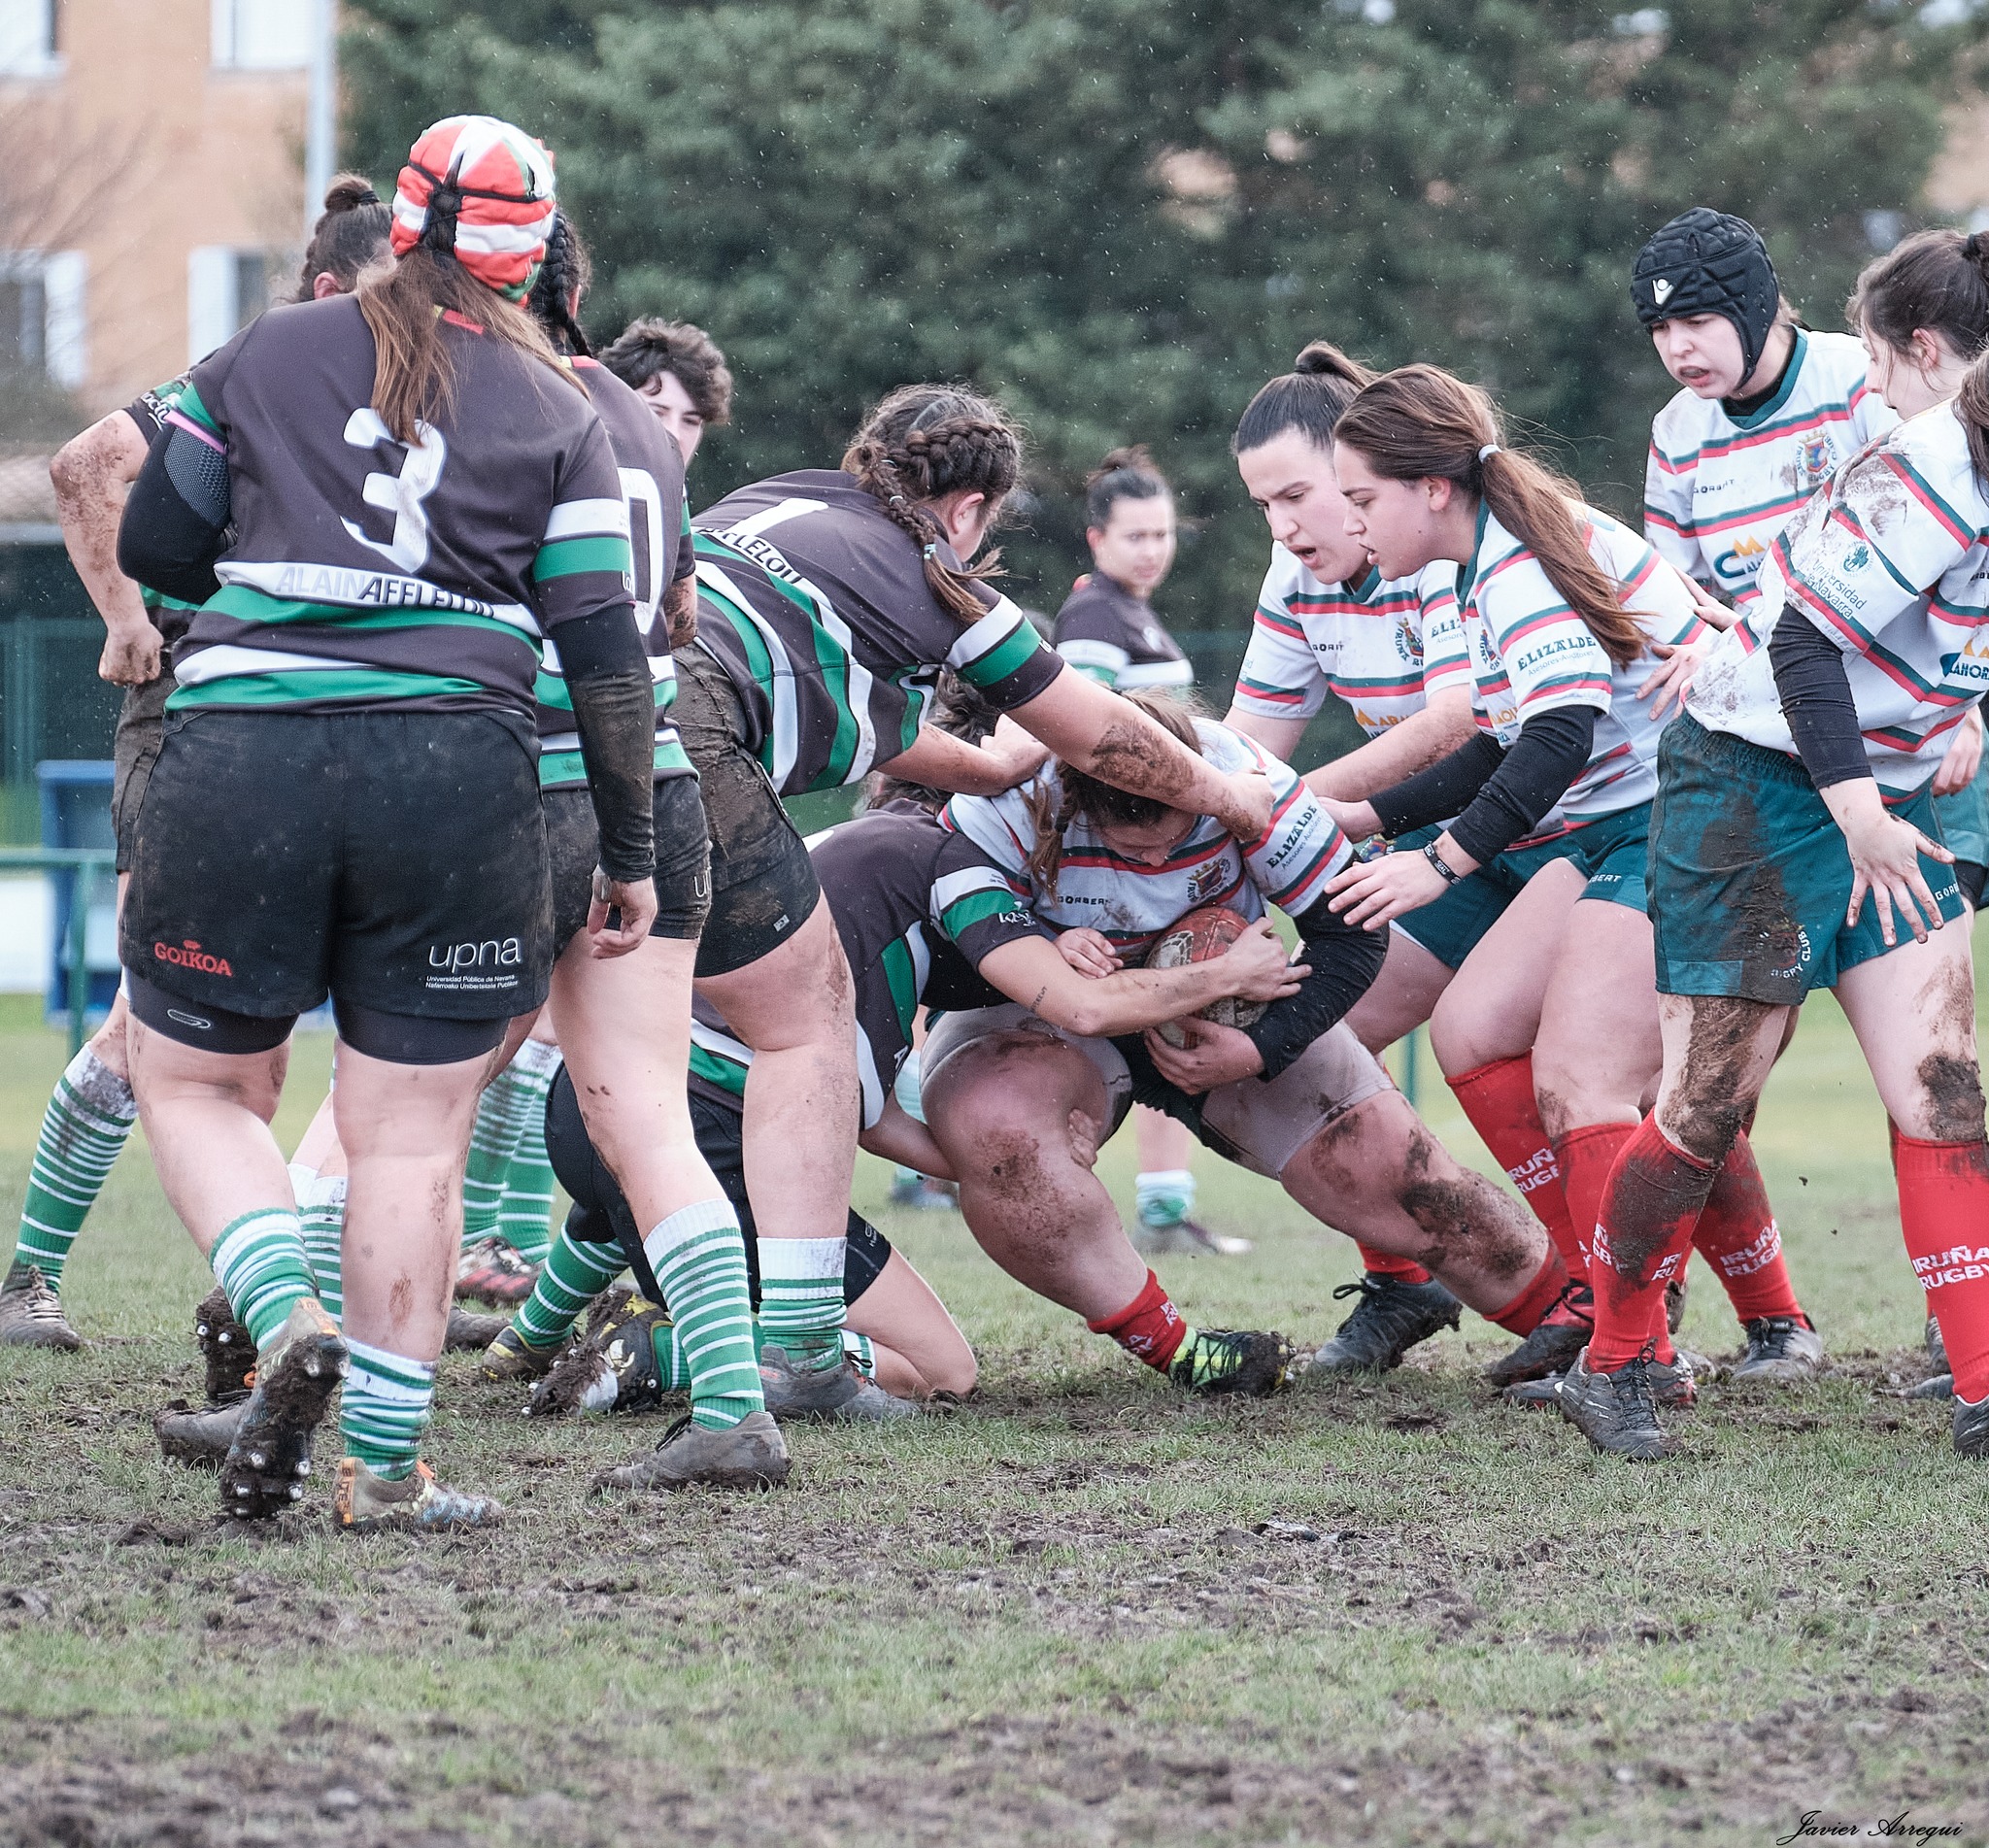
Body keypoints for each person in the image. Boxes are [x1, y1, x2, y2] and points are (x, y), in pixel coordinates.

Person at [111, 115, 742, 1530]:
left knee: (202, 1084)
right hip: (459, 780)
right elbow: (601, 648)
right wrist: (631, 855)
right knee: (411, 1141)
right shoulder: (567, 409)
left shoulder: (268, 350)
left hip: (247, 758)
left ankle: (283, 1319)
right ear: (538, 255)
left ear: (398, 223)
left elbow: (157, 544)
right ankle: (386, 1469)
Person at [670, 385, 1276, 1425]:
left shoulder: (778, 500)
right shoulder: (933, 596)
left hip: (562, 703)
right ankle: (775, 1356)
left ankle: (457, 1313)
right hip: (686, 747)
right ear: (968, 509)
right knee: (803, 1038)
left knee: (533, 1050)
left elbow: (878, 727)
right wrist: (1226, 805)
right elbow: (1099, 738)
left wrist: (989, 777)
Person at [1545, 244, 1989, 1460]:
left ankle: (1982, 1383)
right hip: (1749, 781)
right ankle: (1615, 1360)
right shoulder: (1928, 470)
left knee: (1942, 1086)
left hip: (1877, 794)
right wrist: (1853, 808)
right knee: (1701, 1105)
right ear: (1937, 360)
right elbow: (1797, 646)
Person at [1318, 362, 1819, 1404]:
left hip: (1698, 814)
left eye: (1359, 497)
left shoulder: (1511, 565)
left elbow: (1556, 736)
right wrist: (1367, 816)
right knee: (1471, 1032)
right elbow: (1502, 742)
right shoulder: (1477, 557)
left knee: (1582, 1075)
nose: (1350, 522)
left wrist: (1440, 859)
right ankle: (1611, 1294)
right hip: (1622, 817)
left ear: (1430, 488)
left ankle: (1634, 1345)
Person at [0, 175, 394, 1352]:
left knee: (340, 1035)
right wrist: (127, 621)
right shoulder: (257, 369)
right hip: (196, 717)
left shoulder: (395, 392)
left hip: (327, 732)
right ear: (329, 292)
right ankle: (31, 1280)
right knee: (150, 1023)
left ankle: (275, 1287)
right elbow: (83, 464)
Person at [927, 694, 1574, 1389]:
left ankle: (1587, 1329)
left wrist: (1263, 1048)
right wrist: (1047, 942)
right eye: (1131, 847)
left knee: (1405, 1181)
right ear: (1077, 801)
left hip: (1234, 1017)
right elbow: (955, 967)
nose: (1157, 859)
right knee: (998, 1134)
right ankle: (1179, 1352)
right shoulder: (1007, 803)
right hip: (1047, 1016)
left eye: (1177, 840)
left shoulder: (1245, 778)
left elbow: (1353, 934)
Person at [1221, 340, 1484, 1367]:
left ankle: (1752, 1308)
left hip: (1563, 829)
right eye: (1261, 507)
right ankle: (1403, 1286)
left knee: (1579, 1072)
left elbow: (1457, 722)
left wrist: (1285, 810)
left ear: (1357, 473)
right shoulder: (1294, 580)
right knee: (1320, 1040)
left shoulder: (1435, 552)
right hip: (1437, 845)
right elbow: (1243, 747)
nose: (1283, 528)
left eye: (1297, 496)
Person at [1052, 446, 1233, 1257]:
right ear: (1096, 540)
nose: (1152, 548)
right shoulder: (1095, 616)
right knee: (1153, 1010)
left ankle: (1165, 1203)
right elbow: (1085, 739)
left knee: (1172, 1007)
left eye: (1163, 533)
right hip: (1122, 858)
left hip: (1161, 853)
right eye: (1135, 535)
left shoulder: (1137, 613)